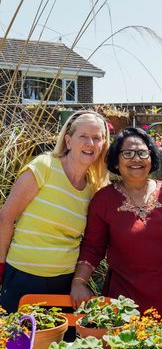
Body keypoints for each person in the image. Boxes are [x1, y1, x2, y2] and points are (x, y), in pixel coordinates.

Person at [70, 127, 162, 326]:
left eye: (142, 152)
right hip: (124, 308)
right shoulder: (104, 200)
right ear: (116, 160)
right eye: (128, 153)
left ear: (151, 158)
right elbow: (92, 248)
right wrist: (79, 283)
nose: (136, 159)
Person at [0, 110, 110, 312]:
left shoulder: (94, 188)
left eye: (97, 138)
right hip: (23, 277)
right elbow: (5, 217)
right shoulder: (45, 166)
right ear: (68, 141)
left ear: (103, 145)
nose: (90, 143)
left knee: (61, 342)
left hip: (64, 283)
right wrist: (0, 266)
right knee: (18, 343)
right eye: (83, 136)